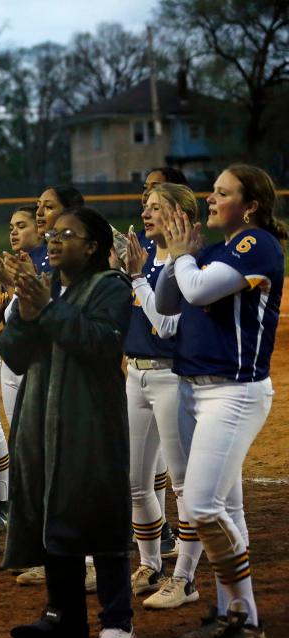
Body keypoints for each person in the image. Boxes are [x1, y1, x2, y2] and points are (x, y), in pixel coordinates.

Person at [156, 165, 285, 638]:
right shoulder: (214, 249)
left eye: (222, 193)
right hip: (196, 390)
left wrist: (181, 258)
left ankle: (244, 616)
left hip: (233, 391)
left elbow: (195, 289)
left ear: (249, 206)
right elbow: (169, 303)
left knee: (204, 508)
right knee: (225, 510)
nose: (211, 198)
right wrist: (176, 257)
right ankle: (237, 616)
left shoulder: (256, 243)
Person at [0, 206, 134, 638]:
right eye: (52, 233)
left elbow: (100, 342)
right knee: (53, 513)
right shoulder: (48, 291)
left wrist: (47, 310)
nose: (54, 240)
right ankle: (63, 617)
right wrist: (24, 309)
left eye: (67, 234)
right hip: (41, 422)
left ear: (92, 247)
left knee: (99, 513)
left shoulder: (110, 287)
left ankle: (117, 621)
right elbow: (14, 357)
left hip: (90, 422)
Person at [123, 183, 205, 609]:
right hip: (134, 375)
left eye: (156, 207)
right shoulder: (144, 256)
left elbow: (166, 324)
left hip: (174, 378)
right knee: (136, 482)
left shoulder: (184, 263)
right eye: (145, 206)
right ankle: (150, 564)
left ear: (180, 216)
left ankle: (185, 578)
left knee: (183, 485)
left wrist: (135, 276)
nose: (147, 213)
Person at [0, 204, 41, 428]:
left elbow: (33, 312)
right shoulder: (11, 266)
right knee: (17, 438)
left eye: (21, 226)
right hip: (10, 364)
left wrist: (11, 283)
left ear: (39, 229)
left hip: (38, 364)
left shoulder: (47, 265)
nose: (13, 232)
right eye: (11, 227)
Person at [30, 186, 85, 273]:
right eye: (38, 206)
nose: (38, 212)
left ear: (70, 211)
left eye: (49, 207)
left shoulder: (77, 256)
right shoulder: (34, 255)